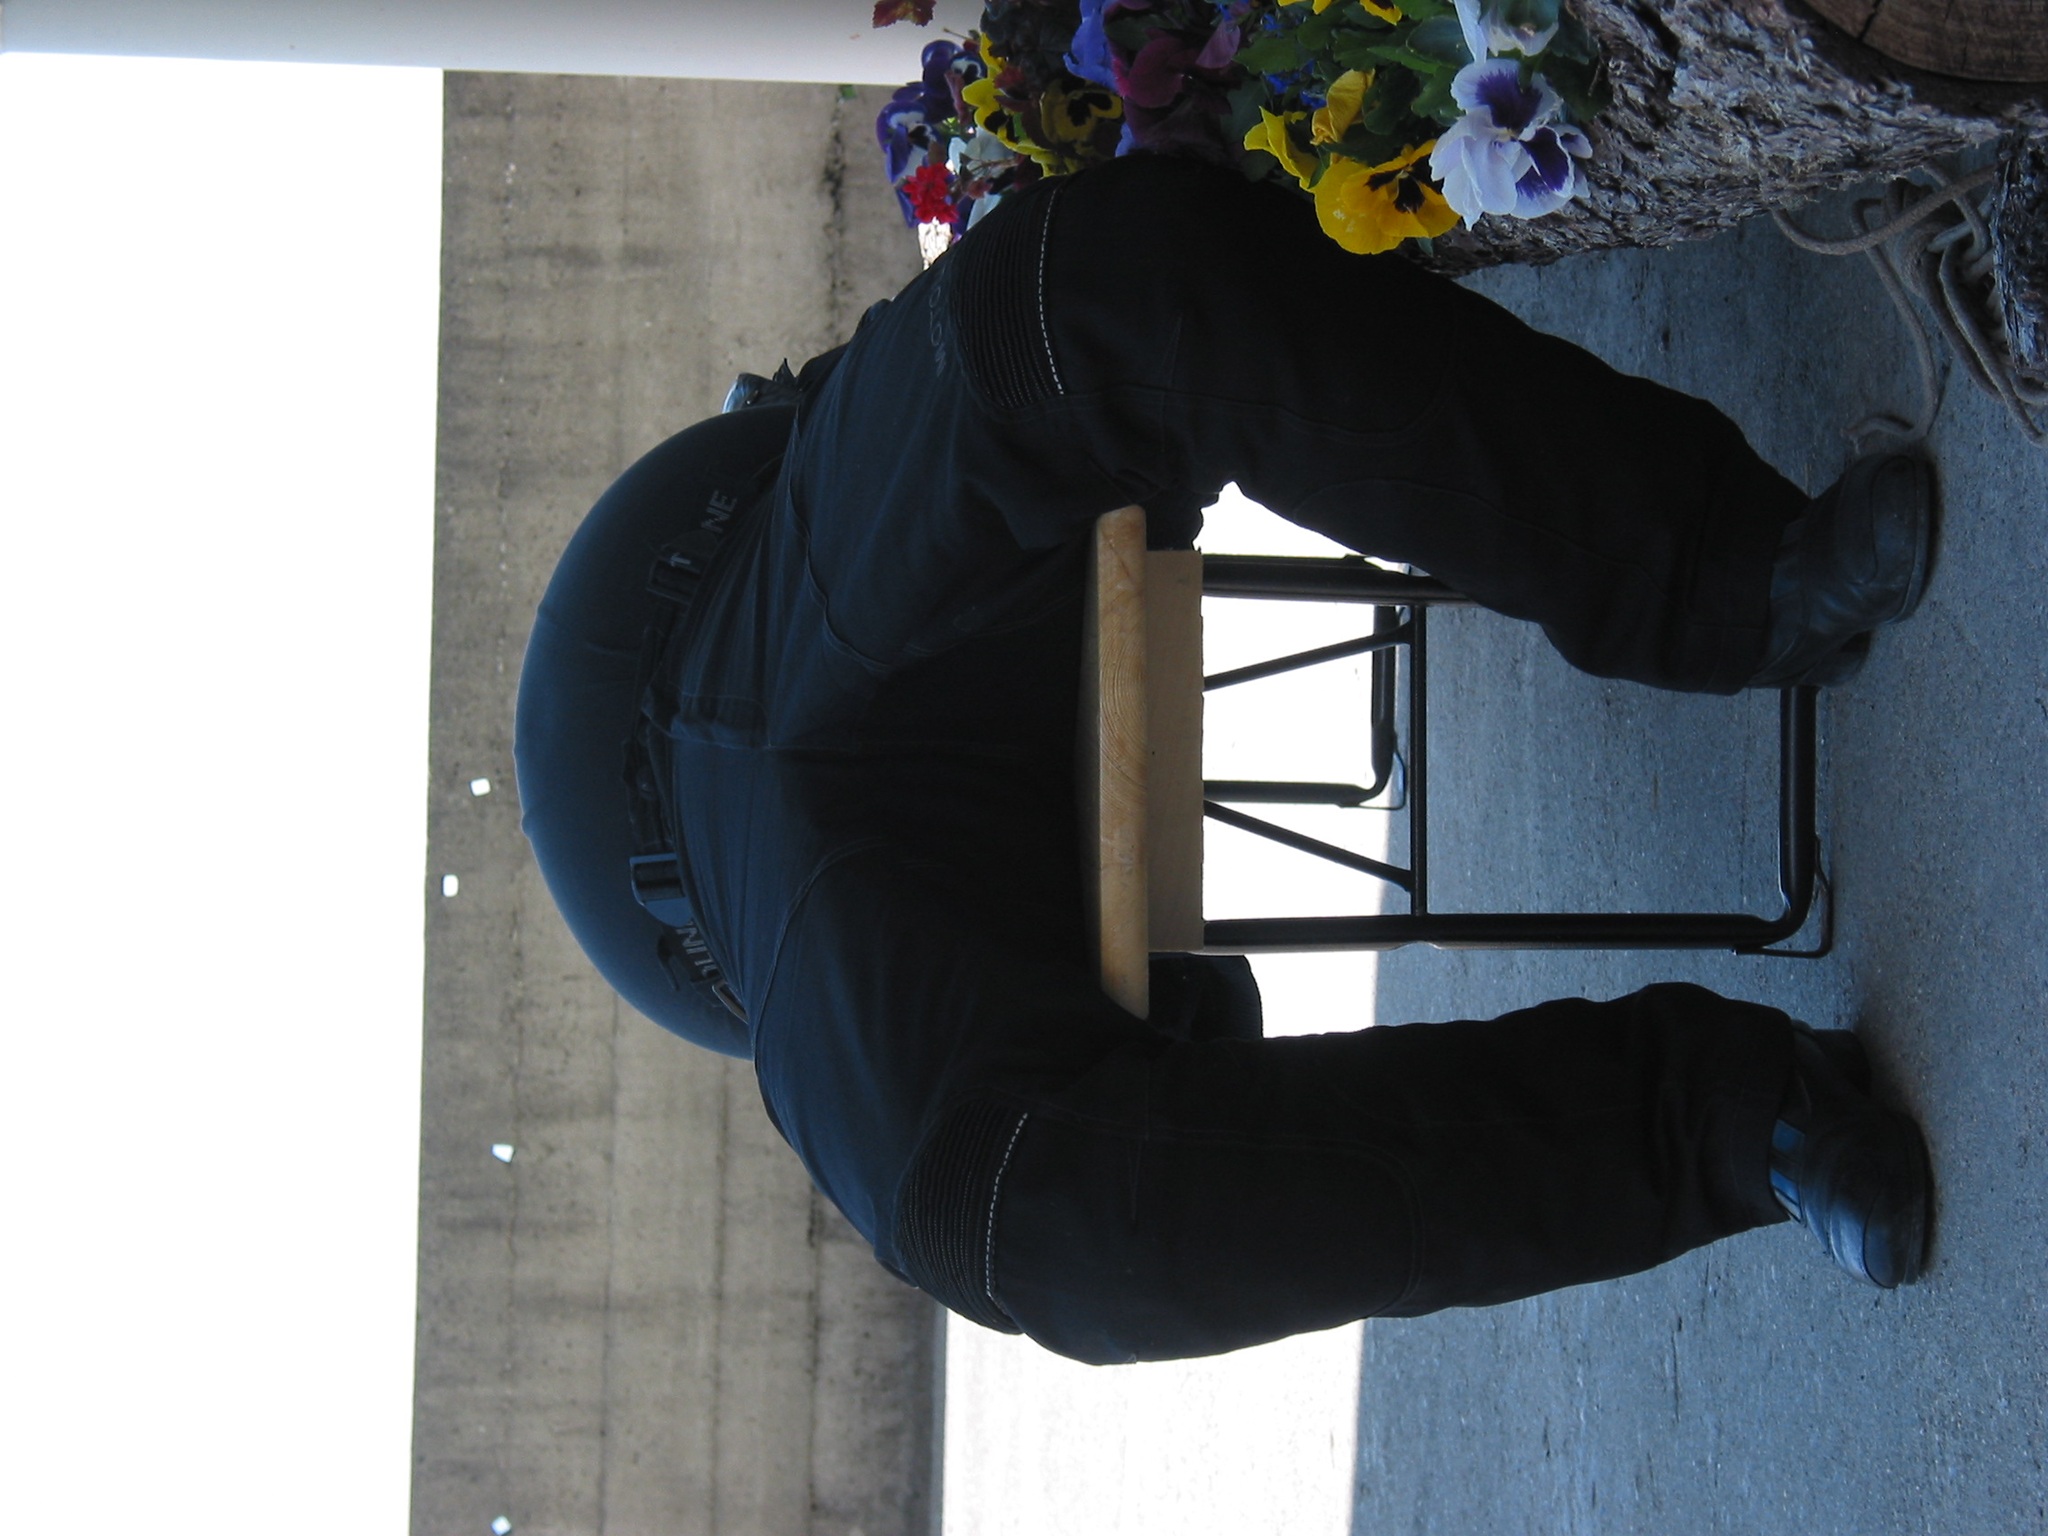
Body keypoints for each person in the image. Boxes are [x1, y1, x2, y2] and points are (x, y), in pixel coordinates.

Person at [514, 152, 1935, 1366]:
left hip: (749, 592)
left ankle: (1746, 577)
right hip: (765, 905)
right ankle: (1743, 1126)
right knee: (1011, 1229)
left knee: (1064, 294)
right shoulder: (725, 963)